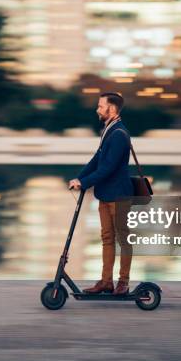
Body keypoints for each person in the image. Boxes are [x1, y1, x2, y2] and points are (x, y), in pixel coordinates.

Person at [68, 92, 134, 295]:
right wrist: (78, 178)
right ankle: (106, 282)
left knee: (123, 239)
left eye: (100, 106)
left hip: (119, 196)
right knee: (107, 238)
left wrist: (85, 182)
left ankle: (123, 282)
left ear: (111, 109)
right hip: (105, 194)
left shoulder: (119, 134)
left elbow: (108, 168)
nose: (97, 109)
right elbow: (96, 160)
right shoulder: (108, 130)